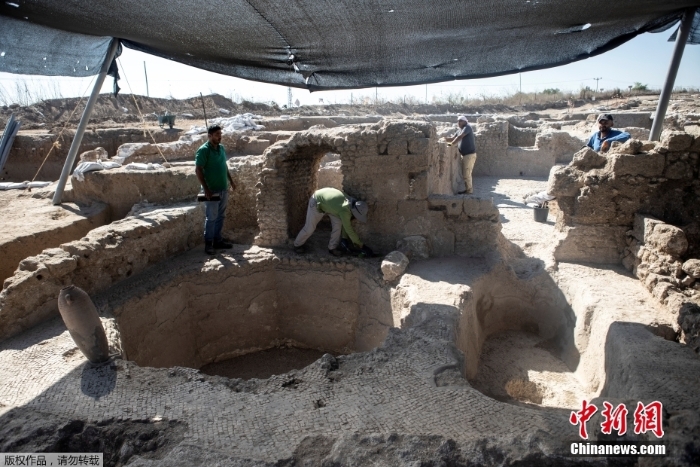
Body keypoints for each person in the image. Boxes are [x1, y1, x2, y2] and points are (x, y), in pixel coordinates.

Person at [294, 187, 373, 257]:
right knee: (310, 227)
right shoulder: (344, 210)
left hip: (331, 206)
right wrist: (362, 246)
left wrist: (344, 238)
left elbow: (346, 225)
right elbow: (349, 229)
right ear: (355, 213)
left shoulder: (350, 201)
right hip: (317, 201)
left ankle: (332, 248)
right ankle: (297, 245)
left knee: (338, 226)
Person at [195, 124, 236, 255]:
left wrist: (231, 181)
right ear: (209, 136)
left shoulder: (221, 148)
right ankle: (208, 244)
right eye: (217, 134)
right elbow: (198, 170)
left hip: (223, 188)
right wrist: (206, 189)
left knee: (221, 216)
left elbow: (224, 166)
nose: (220, 136)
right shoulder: (203, 150)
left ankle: (218, 240)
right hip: (211, 190)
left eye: (220, 134)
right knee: (211, 217)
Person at [447, 115, 477, 194]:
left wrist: (451, 144)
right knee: (466, 173)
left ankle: (469, 191)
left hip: (469, 155)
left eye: (460, 121)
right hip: (465, 155)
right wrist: (443, 139)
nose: (458, 122)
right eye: (458, 121)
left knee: (466, 174)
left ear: (465, 121)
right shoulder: (459, 130)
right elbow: (453, 138)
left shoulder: (467, 127)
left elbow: (460, 137)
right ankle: (468, 189)